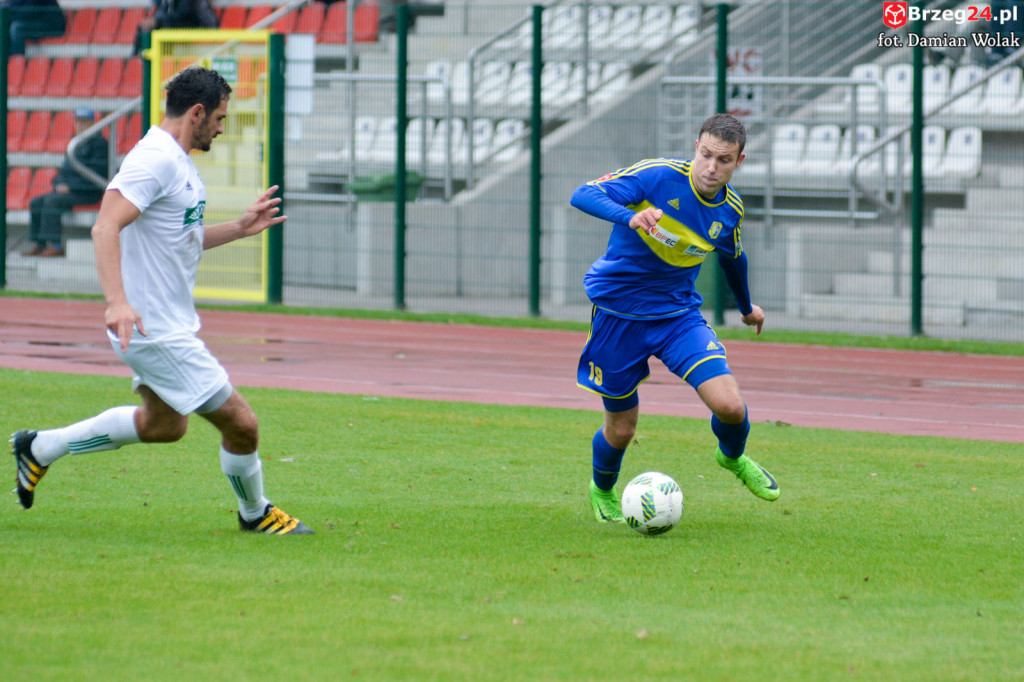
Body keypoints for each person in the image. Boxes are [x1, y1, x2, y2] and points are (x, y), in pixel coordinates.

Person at [10, 66, 312, 535]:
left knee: (164, 425)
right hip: (154, 330)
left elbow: (179, 238)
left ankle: (39, 448)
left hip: (163, 325)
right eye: (220, 117)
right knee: (243, 424)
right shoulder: (155, 160)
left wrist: (237, 228)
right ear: (197, 112)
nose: (222, 126)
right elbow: (104, 225)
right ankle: (255, 514)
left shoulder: (177, 161)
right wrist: (116, 302)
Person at [570, 113, 779, 524]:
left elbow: (734, 258)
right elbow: (582, 194)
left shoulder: (730, 209)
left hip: (678, 317)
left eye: (723, 160)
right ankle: (602, 489)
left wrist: (746, 307)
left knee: (731, 407)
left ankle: (732, 456)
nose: (711, 168)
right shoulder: (656, 176)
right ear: (695, 148)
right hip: (618, 315)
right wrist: (628, 215)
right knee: (622, 430)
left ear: (739, 162)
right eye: (706, 155)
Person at [22, 108, 109, 258]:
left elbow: (96, 174)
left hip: (87, 192)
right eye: (78, 121)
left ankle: (55, 245)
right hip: (70, 191)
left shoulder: (99, 144)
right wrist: (58, 184)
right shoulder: (75, 143)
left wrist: (70, 187)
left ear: (92, 123)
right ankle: (39, 244)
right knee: (36, 202)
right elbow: (62, 172)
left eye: (84, 122)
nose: (80, 125)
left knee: (51, 201)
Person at [133, 0, 219, 55]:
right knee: (144, 27)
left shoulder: (193, 3)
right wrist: (154, 21)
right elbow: (162, 14)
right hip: (172, 37)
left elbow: (183, 16)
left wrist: (157, 22)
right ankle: (137, 58)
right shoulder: (166, 3)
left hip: (189, 37)